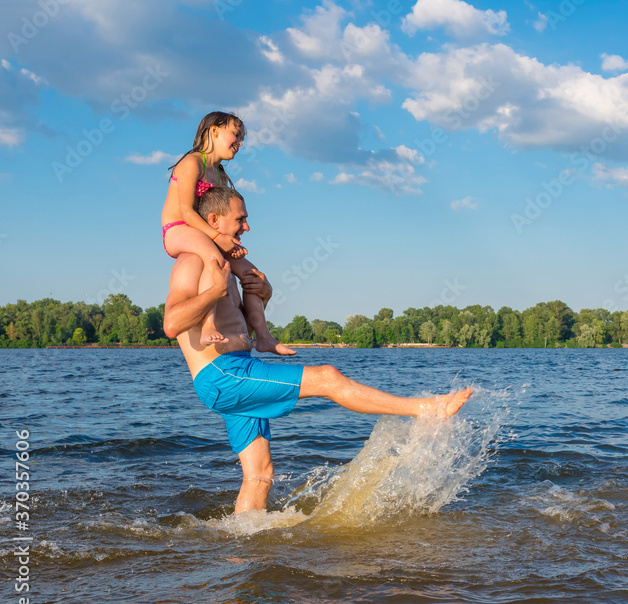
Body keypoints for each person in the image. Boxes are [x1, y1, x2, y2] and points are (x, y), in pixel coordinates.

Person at [162, 186, 473, 513]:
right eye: (240, 219)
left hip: (238, 366)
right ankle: (426, 410)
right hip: (222, 373)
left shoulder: (225, 266)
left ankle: (243, 547)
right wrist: (213, 292)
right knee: (327, 377)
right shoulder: (191, 262)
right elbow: (172, 324)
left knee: (260, 476)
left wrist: (263, 295)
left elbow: (239, 330)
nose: (247, 227)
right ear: (214, 220)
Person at [161, 111, 292, 355]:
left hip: (206, 234)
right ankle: (208, 324)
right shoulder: (192, 163)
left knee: (253, 276)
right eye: (236, 135)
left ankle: (263, 337)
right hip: (179, 230)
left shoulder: (221, 175)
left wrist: (228, 239)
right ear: (214, 131)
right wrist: (218, 239)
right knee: (215, 259)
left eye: (241, 138)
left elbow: (221, 214)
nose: (240, 142)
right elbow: (187, 212)